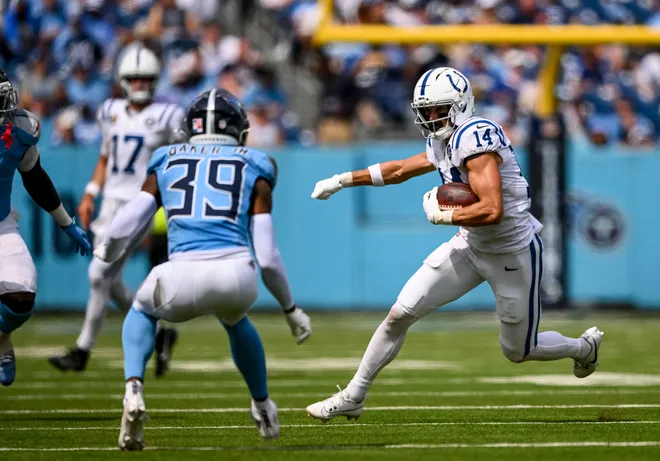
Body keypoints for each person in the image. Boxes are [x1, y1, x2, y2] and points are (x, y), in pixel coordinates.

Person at [306, 67, 604, 422]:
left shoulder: (476, 137)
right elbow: (400, 169)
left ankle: (583, 348)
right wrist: (342, 180)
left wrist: (446, 216)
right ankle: (354, 395)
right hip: (469, 245)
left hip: (512, 253)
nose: (432, 118)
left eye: (439, 109)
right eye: (426, 111)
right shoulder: (441, 140)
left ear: (461, 105)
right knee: (398, 315)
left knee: (519, 350)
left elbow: (493, 209)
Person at [93, 89, 312, 450]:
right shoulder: (257, 164)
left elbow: (129, 219)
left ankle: (133, 389)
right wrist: (290, 310)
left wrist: (108, 249)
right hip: (237, 275)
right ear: (238, 129)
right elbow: (268, 257)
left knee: (141, 310)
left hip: (180, 274)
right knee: (235, 319)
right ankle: (263, 405)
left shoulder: (167, 158)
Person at [48, 46, 184, 376]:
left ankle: (82, 350)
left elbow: (180, 160)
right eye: (134, 78)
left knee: (99, 274)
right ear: (123, 80)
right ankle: (159, 333)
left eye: (146, 78)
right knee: (111, 280)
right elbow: (106, 159)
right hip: (110, 202)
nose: (139, 83)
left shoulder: (168, 115)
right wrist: (90, 193)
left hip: (141, 204)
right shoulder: (110, 110)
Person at [0, 68, 91, 386]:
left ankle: (2, 337)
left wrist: (66, 222)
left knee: (21, 297)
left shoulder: (18, 129)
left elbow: (34, 176)